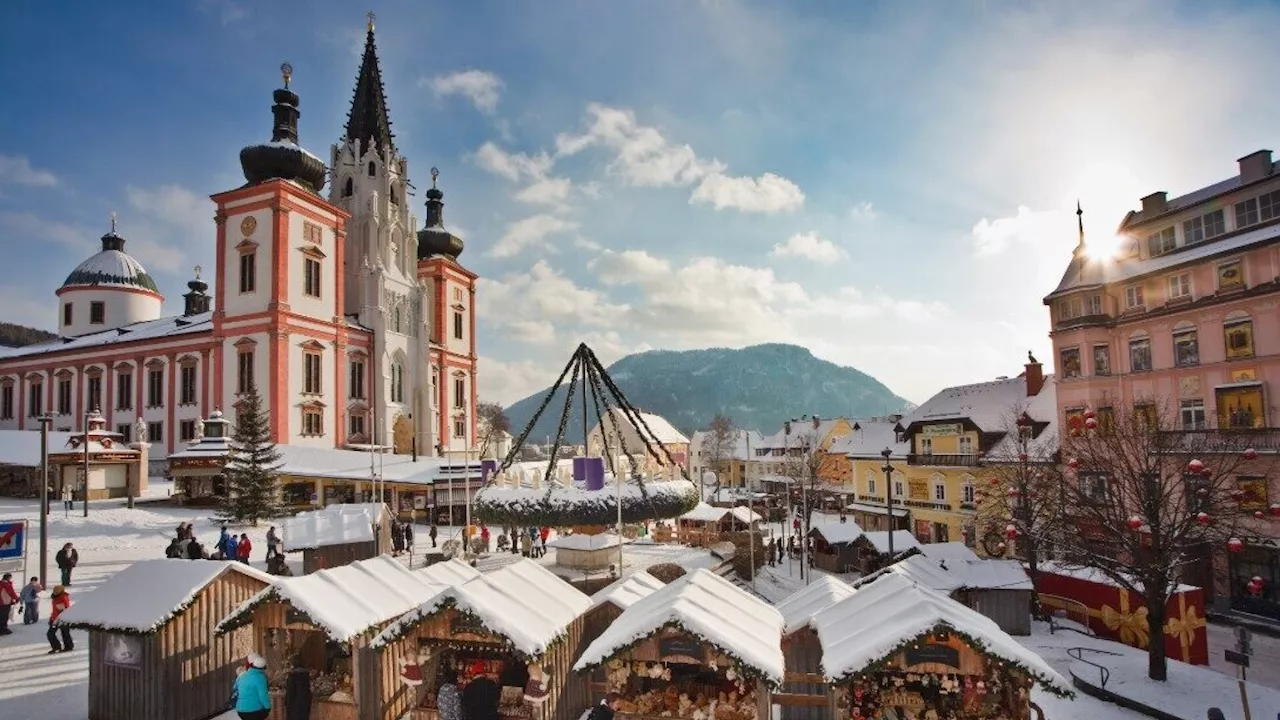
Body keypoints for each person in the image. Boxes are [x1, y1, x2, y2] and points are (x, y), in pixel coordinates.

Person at [233, 653, 272, 720]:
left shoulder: (242, 675)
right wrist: (268, 707)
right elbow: (263, 695)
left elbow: (235, 687)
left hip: (241, 710)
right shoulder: (260, 677)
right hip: (254, 711)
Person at [283, 654, 312, 720]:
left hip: (295, 704)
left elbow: (290, 692)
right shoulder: (306, 674)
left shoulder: (293, 676)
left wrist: (287, 704)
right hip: (305, 703)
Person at [47, 585, 73, 653]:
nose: (55, 592)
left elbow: (63, 610)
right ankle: (59, 647)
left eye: (56, 591)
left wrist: (55, 620)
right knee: (53, 633)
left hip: (62, 619)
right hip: (55, 618)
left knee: (63, 633)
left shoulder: (62, 598)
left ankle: (67, 646)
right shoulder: (56, 597)